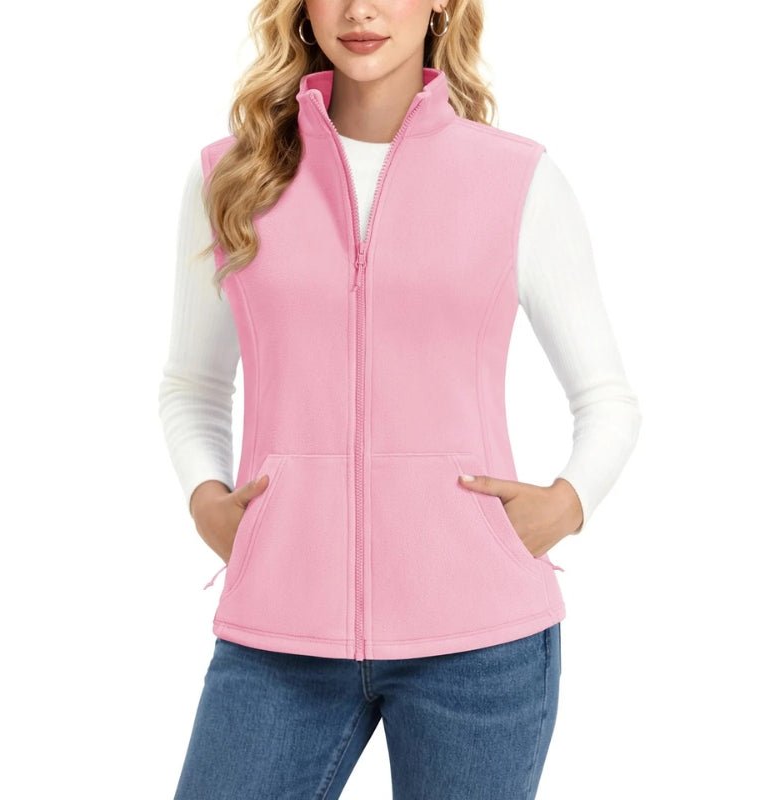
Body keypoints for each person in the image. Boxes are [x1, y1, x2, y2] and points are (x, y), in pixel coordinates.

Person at [159, 1, 642, 797]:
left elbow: (608, 399)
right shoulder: (232, 176)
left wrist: (565, 505)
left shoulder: (516, 178)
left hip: (478, 645)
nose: (361, 9)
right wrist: (207, 502)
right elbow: (192, 384)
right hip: (279, 635)